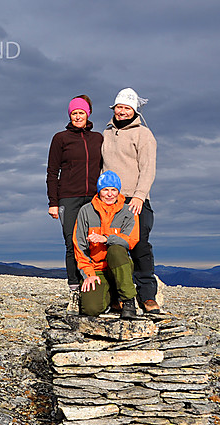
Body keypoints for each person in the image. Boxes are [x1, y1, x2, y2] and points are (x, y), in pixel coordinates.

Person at [101, 87, 160, 314]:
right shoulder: (106, 133)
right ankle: (117, 297)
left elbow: (148, 168)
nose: (122, 112)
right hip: (110, 199)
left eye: (126, 108)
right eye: (119, 107)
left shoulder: (143, 134)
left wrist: (139, 195)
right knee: (113, 247)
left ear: (134, 110)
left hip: (135, 198)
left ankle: (147, 297)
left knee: (140, 246)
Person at [46, 95, 103, 313]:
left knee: (94, 242)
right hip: (68, 198)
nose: (78, 116)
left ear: (88, 114)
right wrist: (53, 202)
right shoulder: (60, 138)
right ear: (70, 116)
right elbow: (52, 172)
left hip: (94, 198)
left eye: (81, 112)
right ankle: (74, 289)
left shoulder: (98, 138)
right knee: (72, 243)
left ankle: (96, 287)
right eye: (74, 113)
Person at [74, 171, 139, 319]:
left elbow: (131, 241)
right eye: (105, 190)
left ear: (118, 191)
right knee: (90, 309)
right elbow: (79, 246)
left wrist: (106, 239)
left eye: (113, 190)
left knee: (115, 250)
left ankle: (128, 301)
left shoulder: (129, 211)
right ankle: (112, 297)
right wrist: (88, 274)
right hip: (97, 269)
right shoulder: (86, 211)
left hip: (119, 267)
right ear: (99, 191)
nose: (110, 194)